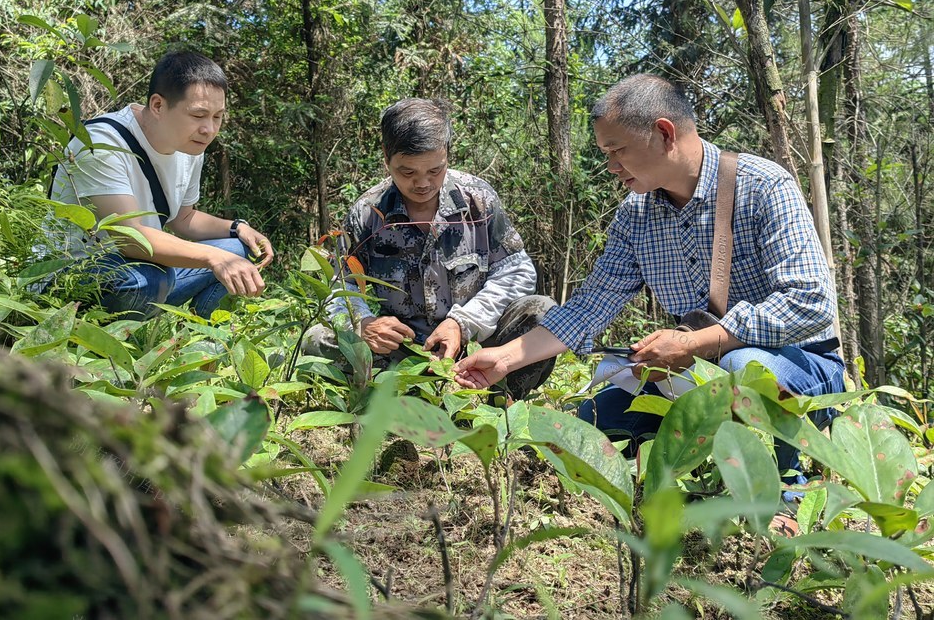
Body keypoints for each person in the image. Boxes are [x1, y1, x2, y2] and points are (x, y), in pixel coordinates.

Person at [455, 74, 845, 479]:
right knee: (579, 430)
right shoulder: (635, 216)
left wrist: (696, 343)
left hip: (798, 366)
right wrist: (501, 358)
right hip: (692, 378)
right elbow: (588, 310)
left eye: (616, 150)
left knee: (745, 368)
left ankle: (786, 488)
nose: (611, 166)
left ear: (664, 133)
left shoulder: (763, 186)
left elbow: (811, 303)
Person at [304, 98, 556, 400]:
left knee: (543, 315)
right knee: (316, 341)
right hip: (401, 353)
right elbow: (339, 284)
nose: (423, 183)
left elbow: (516, 269)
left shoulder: (478, 200)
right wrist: (364, 324)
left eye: (435, 170)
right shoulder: (368, 213)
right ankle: (397, 398)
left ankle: (495, 401)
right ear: (386, 158)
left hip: (476, 350)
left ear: (447, 154)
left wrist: (463, 323)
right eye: (407, 172)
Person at [48, 51, 273, 319]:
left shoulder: (189, 147)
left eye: (217, 117)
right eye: (199, 115)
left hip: (146, 272)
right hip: (77, 277)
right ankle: (110, 346)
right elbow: (129, 237)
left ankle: (201, 339)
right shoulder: (99, 143)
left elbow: (183, 218)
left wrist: (237, 228)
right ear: (157, 106)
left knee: (239, 249)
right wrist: (214, 258)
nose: (209, 130)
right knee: (151, 278)